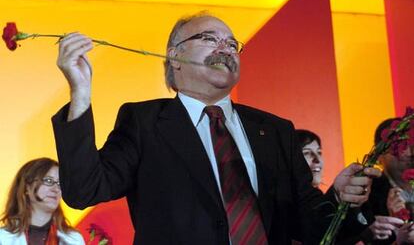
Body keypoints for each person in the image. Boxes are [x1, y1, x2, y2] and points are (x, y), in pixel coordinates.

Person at [51, 13, 381, 244]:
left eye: (232, 44)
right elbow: (84, 191)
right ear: (174, 58)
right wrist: (80, 94)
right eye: (209, 39)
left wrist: (341, 197)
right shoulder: (145, 122)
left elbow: (308, 224)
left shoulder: (275, 130)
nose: (225, 48)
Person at [0, 158, 84, 244]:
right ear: (26, 187)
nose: (55, 189)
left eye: (60, 183)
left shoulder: (74, 239)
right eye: (48, 180)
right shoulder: (3, 238)